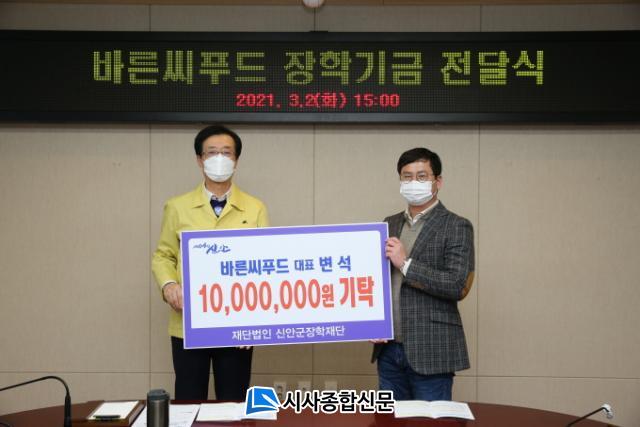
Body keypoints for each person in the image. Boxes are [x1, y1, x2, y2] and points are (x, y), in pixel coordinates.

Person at [152, 125, 269, 400]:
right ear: (199, 159)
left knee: (234, 400)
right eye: (211, 152)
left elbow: (265, 265)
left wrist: (255, 323)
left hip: (238, 325)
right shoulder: (177, 206)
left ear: (236, 160)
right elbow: (164, 255)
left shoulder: (255, 208)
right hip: (189, 324)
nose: (219, 159)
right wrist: (169, 285)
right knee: (189, 400)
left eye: (226, 153)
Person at [371, 147, 474, 401]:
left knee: (430, 419)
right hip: (388, 350)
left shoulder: (456, 225)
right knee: (389, 419)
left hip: (432, 349)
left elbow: (456, 284)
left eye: (421, 176)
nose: (413, 183)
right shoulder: (389, 223)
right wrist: (373, 321)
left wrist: (406, 264)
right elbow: (376, 281)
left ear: (438, 181)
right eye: (407, 177)